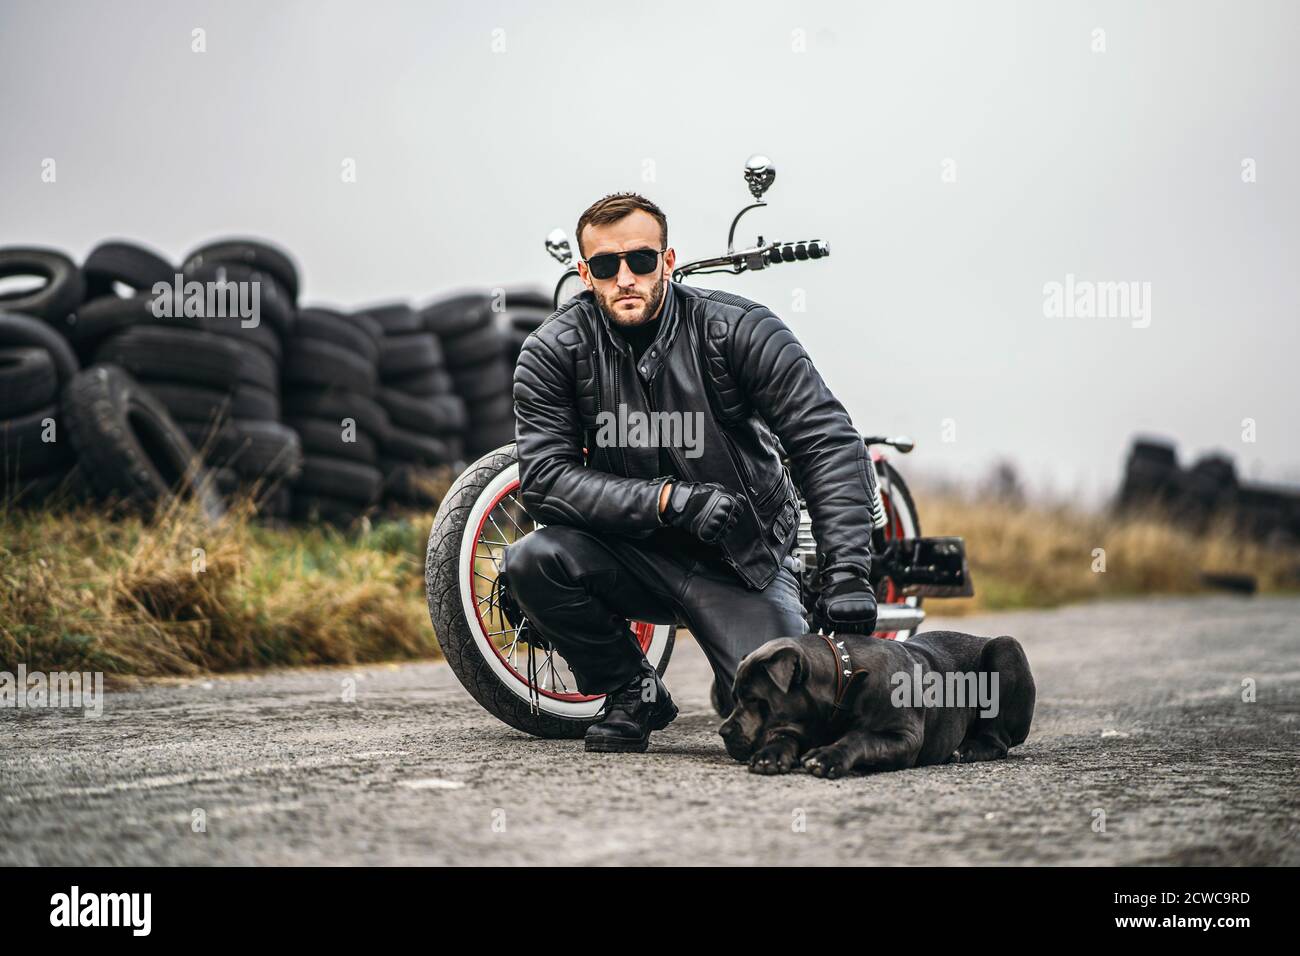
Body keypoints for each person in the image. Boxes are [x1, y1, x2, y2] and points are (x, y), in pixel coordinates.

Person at [502, 192, 878, 753]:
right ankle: (631, 689)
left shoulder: (740, 330)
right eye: (605, 266)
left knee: (776, 727)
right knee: (532, 560)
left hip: (740, 562)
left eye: (641, 260)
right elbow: (545, 480)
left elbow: (825, 441)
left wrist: (847, 570)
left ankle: (746, 668)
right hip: (627, 553)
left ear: (668, 261)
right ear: (585, 273)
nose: (624, 277)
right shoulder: (553, 350)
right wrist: (667, 500)